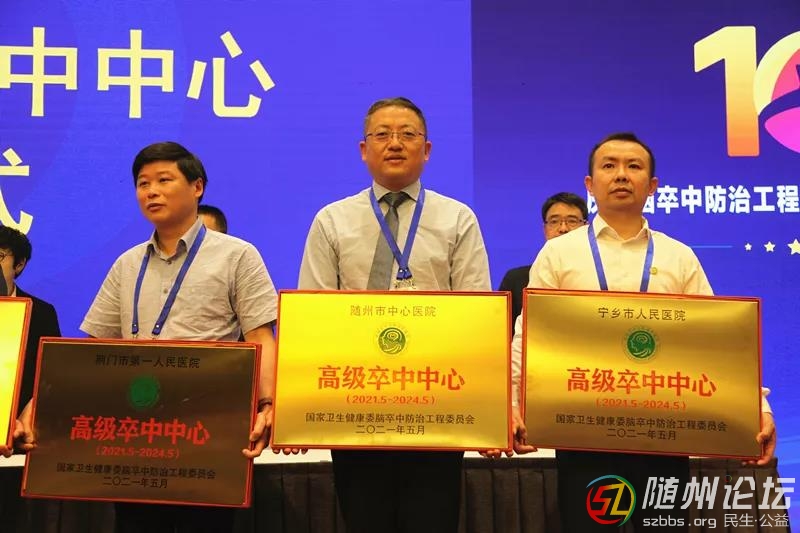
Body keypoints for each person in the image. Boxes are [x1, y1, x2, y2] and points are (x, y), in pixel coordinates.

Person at [509, 132, 777, 532]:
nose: (621, 175)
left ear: (652, 186)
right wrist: (512, 402)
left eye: (633, 166)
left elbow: (716, 346)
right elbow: (527, 335)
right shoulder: (558, 253)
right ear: (590, 184)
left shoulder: (678, 256)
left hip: (663, 430)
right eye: (609, 166)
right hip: (583, 430)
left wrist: (758, 408)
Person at [298, 97, 491, 533]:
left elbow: (477, 311)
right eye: (382, 134)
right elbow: (314, 313)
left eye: (408, 134)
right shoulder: (332, 220)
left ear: (427, 149)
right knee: (365, 518)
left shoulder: (457, 218)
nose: (395, 143)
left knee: (432, 518)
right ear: (363, 149)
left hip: (436, 399)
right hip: (356, 400)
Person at [79, 142, 278, 533]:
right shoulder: (127, 263)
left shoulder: (237, 256)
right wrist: (43, 405)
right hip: (136, 431)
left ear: (197, 186)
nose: (151, 192)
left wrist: (267, 404)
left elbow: (261, 337)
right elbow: (94, 346)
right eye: (143, 183)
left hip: (207, 429)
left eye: (164, 180)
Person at [0, 227, 61, 458]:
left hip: (21, 443)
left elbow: (52, 375)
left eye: (0, 256)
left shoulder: (42, 313)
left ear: (19, 264)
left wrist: (30, 416)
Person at [498, 192, 587, 332]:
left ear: (586, 227)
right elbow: (502, 333)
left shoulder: (596, 274)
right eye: (554, 221)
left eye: (572, 221)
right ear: (545, 229)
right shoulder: (515, 279)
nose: (563, 229)